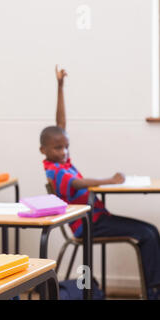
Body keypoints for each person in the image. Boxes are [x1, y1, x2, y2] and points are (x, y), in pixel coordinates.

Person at [40, 65, 160, 300]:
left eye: (66, 146)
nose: (64, 151)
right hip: (86, 225)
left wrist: (60, 87)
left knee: (150, 231)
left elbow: (60, 124)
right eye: (58, 147)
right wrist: (110, 180)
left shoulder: (62, 160)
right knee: (148, 234)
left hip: (98, 218)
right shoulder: (53, 169)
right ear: (43, 150)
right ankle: (154, 292)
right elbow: (77, 183)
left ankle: (153, 289)